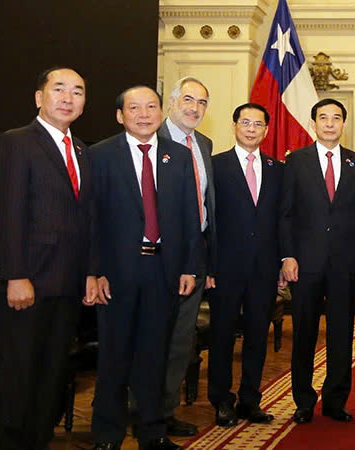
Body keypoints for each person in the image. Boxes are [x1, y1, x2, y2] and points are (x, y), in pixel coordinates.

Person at [0, 66, 98, 450]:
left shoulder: (80, 150)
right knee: (21, 378)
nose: (68, 98)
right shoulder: (15, 143)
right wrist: (15, 275)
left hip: (66, 286)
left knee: (52, 375)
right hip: (25, 285)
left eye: (77, 92)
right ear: (39, 97)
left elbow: (86, 219)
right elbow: (5, 214)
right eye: (59, 89)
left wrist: (89, 273)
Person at [89, 86, 201, 450]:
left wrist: (190, 266)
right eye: (134, 108)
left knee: (155, 355)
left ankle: (153, 432)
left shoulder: (178, 156)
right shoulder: (100, 155)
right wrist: (94, 271)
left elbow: (190, 214)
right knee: (114, 355)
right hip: (115, 273)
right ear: (120, 115)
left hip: (163, 270)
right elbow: (91, 219)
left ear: (160, 112)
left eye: (151, 106)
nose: (144, 114)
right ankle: (108, 435)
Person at [280, 98, 355, 424]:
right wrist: (287, 255)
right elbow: (286, 213)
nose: (330, 123)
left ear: (343, 124)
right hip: (305, 263)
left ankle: (335, 400)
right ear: (314, 123)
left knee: (341, 333)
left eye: (336, 118)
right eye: (323, 118)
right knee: (304, 332)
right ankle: (304, 401)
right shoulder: (296, 162)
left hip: (345, 263)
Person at [208, 102, 283, 427]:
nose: (252, 129)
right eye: (246, 123)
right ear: (234, 126)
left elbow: (282, 219)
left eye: (258, 124)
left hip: (264, 268)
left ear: (266, 130)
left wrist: (282, 261)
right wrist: (208, 266)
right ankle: (221, 401)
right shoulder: (215, 166)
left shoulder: (278, 169)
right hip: (224, 268)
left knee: (257, 336)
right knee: (222, 336)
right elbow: (207, 220)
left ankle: (250, 400)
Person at [155, 76, 216, 437]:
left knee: (180, 341)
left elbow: (206, 207)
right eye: (188, 100)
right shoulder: (151, 139)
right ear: (172, 102)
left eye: (202, 102)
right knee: (151, 340)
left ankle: (165, 412)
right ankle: (142, 411)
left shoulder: (204, 144)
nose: (195, 108)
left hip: (194, 258)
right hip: (156, 259)